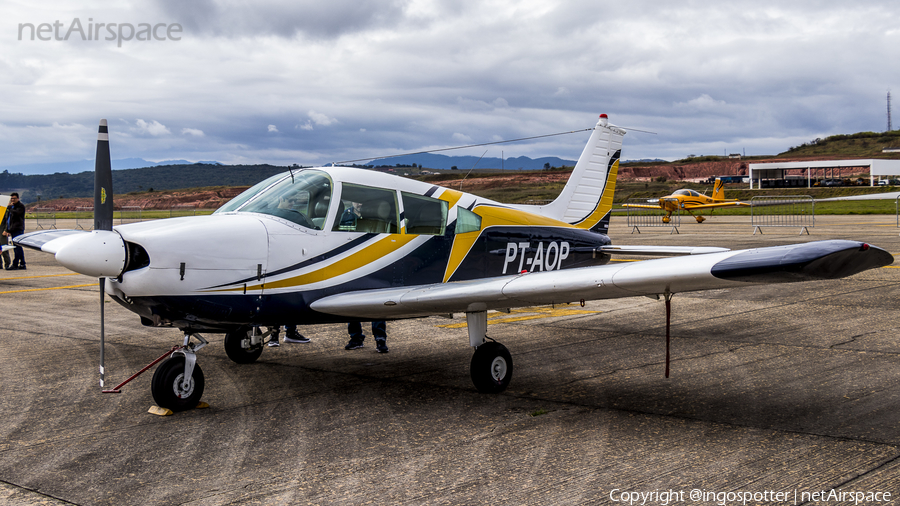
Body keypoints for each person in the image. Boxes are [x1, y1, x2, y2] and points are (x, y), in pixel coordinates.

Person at [3, 193, 26, 270]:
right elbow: (9, 219)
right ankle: (22, 263)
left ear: (18, 199)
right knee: (18, 247)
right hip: (12, 229)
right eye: (11, 198)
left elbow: (16, 213)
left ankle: (15, 264)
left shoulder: (20, 206)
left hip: (18, 229)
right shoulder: (12, 207)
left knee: (17, 248)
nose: (12, 200)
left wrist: (9, 207)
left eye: (14, 198)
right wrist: (8, 230)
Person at [0, 203, 10, 270]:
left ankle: (7, 264)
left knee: (4, 248)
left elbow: (7, 221)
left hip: (2, 231)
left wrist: (6, 230)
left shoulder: (4, 209)